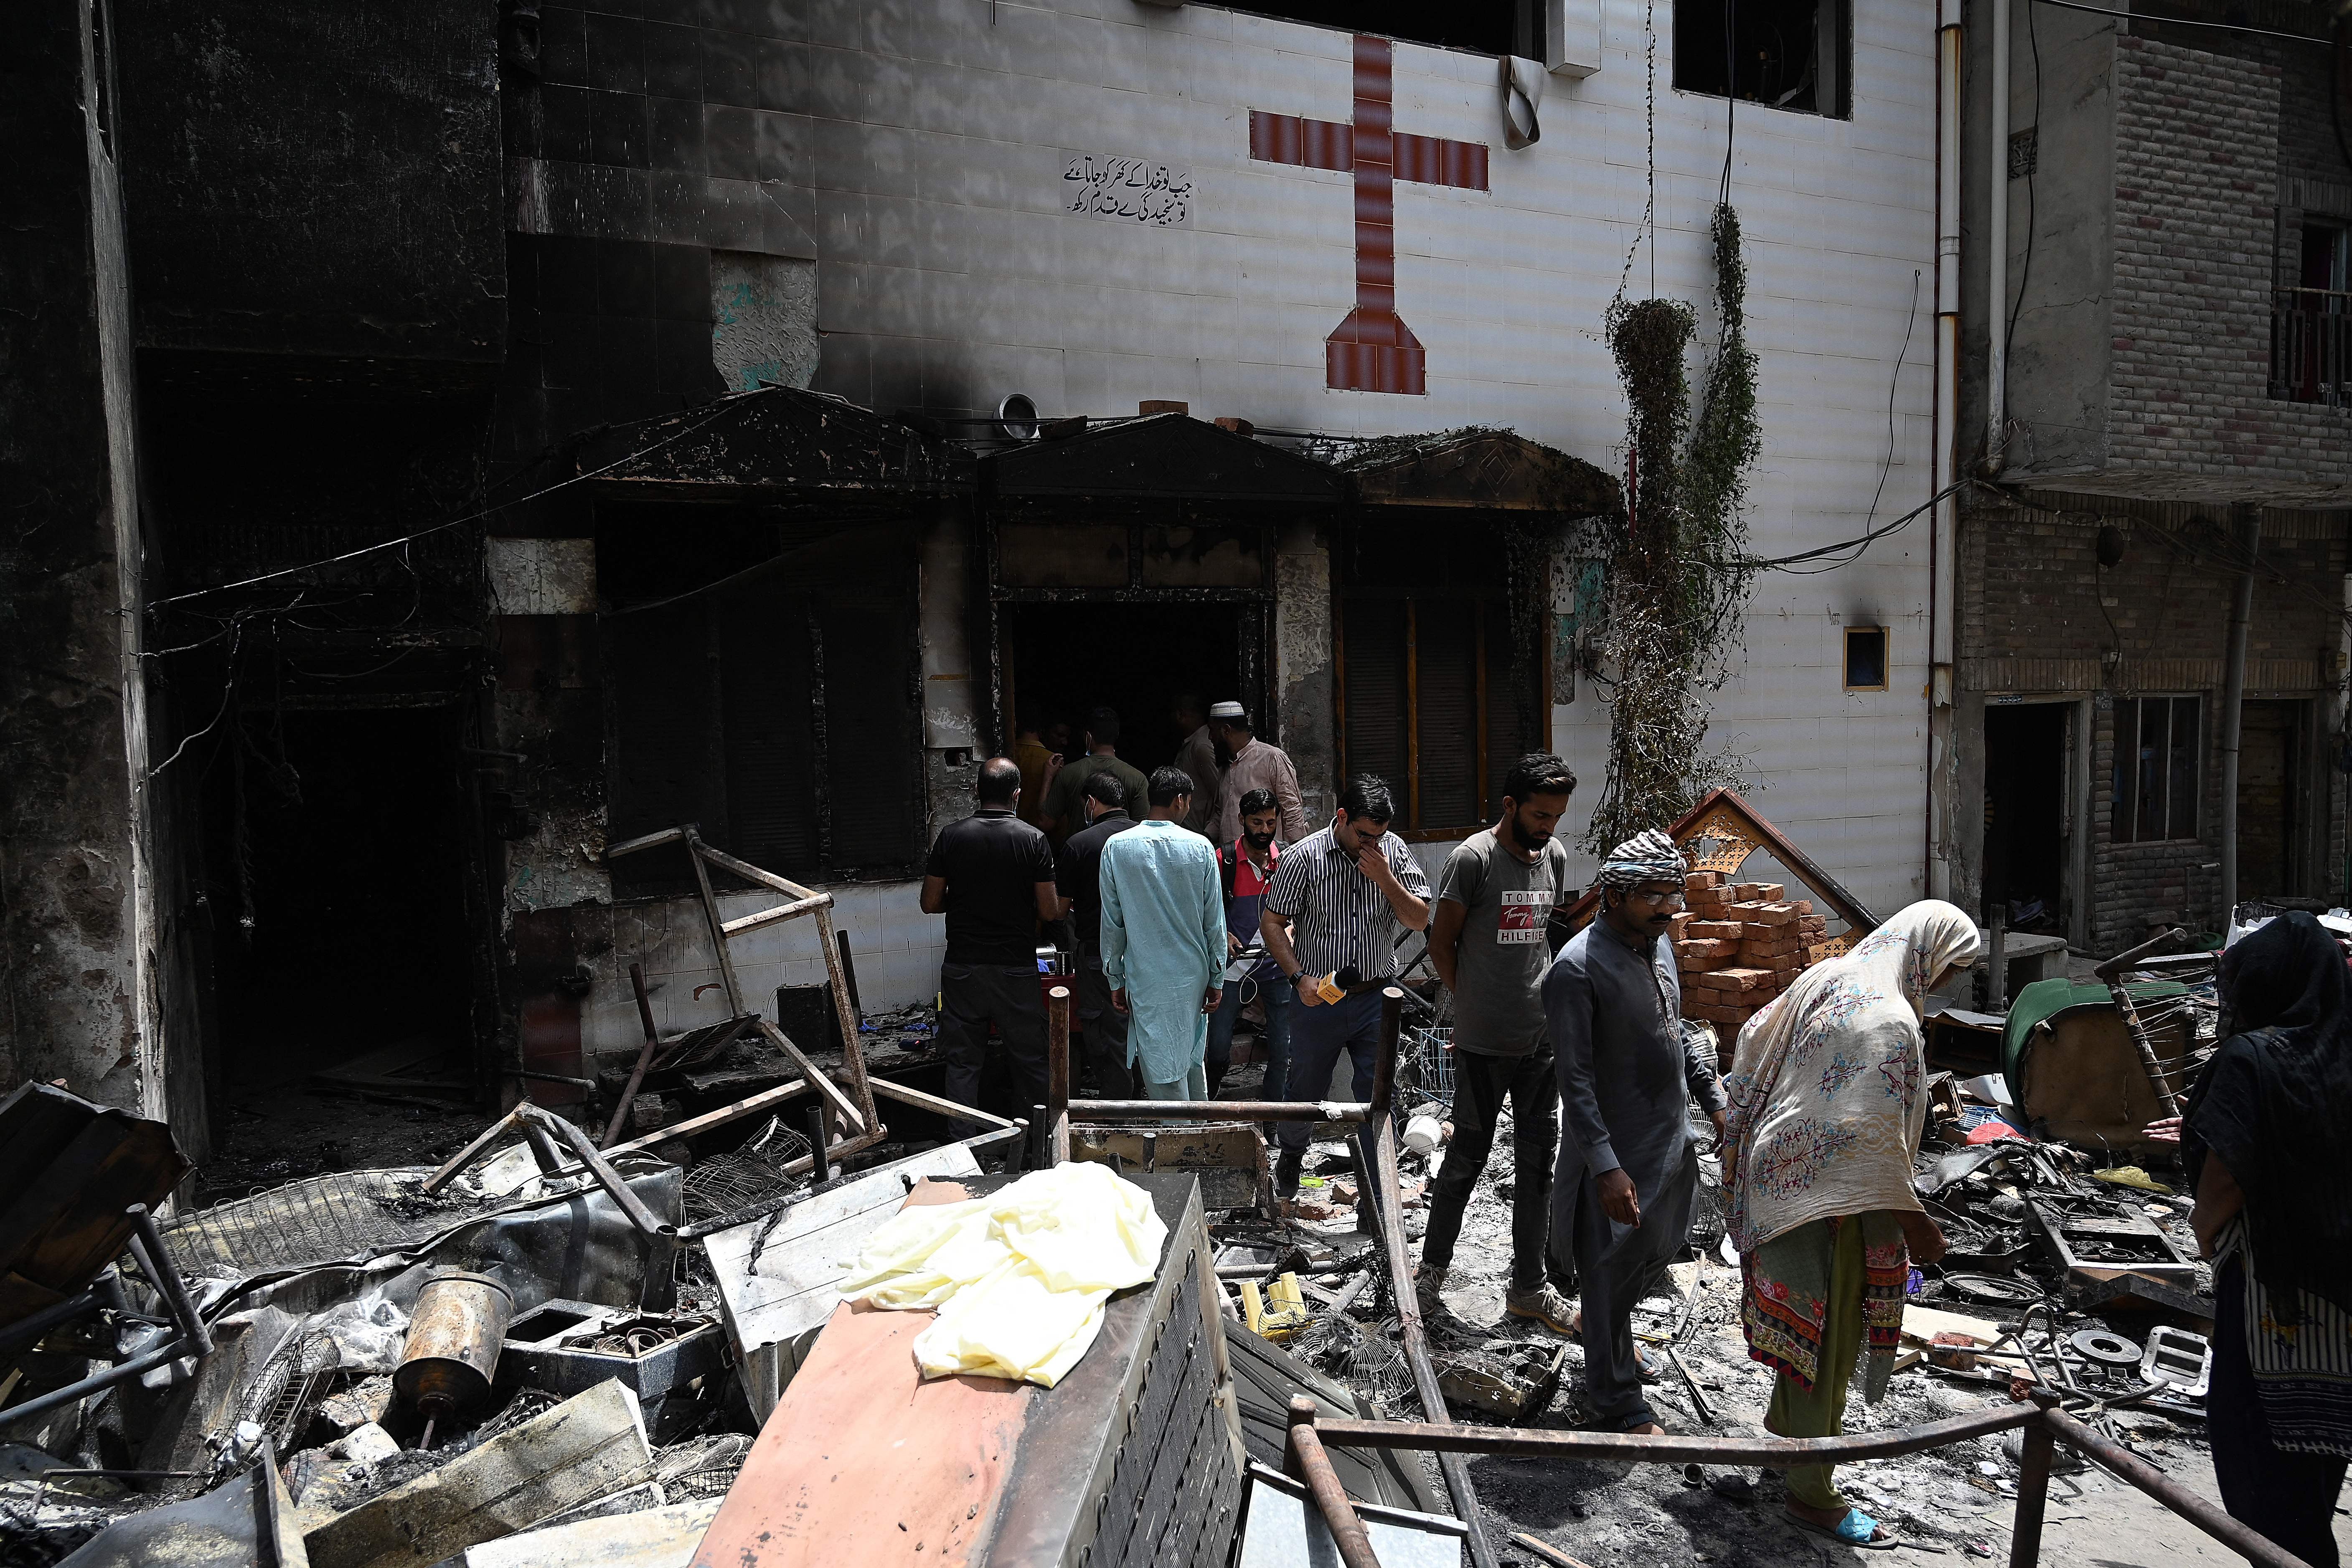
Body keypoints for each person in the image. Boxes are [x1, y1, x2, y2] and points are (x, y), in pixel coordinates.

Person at [1720, 900, 1979, 1548]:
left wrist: (1780, 1114)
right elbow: (1866, 1137)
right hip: (1830, 1203)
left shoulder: (1831, 975)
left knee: (1804, 1330)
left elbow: (1754, 1032)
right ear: (1927, 951)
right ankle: (1813, 1496)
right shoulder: (1889, 1020)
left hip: (1781, 1177)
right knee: (1828, 1341)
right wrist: (1914, 1223)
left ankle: (1793, 1453)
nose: (1948, 982)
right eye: (1952, 966)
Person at [2179, 912, 2352, 1568]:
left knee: (2254, 1479)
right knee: (2312, 1475)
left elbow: (2228, 1175)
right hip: (2337, 1313)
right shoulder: (2339, 1047)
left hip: (2268, 1303)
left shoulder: (2253, 1058)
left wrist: (2201, 1232)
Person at [1544, 829, 1726, 1436]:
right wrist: (1605, 1166)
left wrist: (1713, 1099)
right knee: (1607, 1268)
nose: (1669, 909)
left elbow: (1680, 1031)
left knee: (1656, 1250)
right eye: (1655, 896)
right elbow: (1573, 1080)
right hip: (1616, 1151)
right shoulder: (1576, 969)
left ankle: (1610, 1340)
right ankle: (1616, 1401)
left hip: (1669, 1142)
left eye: (1673, 896)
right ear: (1616, 894)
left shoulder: (1658, 945)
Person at [1420, 754, 1580, 1333]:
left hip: (1541, 1042)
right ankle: (1431, 1273)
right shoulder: (1473, 860)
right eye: (1539, 815)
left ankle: (1529, 1288)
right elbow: (1442, 942)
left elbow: (1548, 935)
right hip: (1483, 1044)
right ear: (1509, 805)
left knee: (1539, 1166)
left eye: (1556, 816)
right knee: (1466, 1158)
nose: (1548, 827)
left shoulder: (1554, 858)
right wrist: (1472, 1003)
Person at [1260, 775, 1433, 1226]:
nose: (1372, 843)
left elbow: (1418, 918)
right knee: (1305, 1091)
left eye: (1379, 835)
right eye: (1364, 835)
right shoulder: (1304, 857)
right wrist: (1298, 979)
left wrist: (1385, 878)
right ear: (1341, 818)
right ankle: (1292, 1159)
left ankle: (1375, 1205)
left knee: (1377, 1097)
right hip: (1319, 999)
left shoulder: (1391, 852)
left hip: (1377, 997)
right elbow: (1272, 923)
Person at [919, 757, 1060, 1129]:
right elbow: (1049, 910)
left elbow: (930, 902)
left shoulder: (951, 836)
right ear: (1017, 794)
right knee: (1029, 1061)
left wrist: (966, 900)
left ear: (977, 791)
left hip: (964, 968)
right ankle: (1037, 1145)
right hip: (1015, 969)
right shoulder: (1034, 840)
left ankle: (963, 1149)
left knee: (963, 1063)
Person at [1099, 767, 1228, 1101]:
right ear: (1181, 800)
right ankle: (1195, 1139)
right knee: (1189, 1057)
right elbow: (1215, 923)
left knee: (1162, 1062)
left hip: (1146, 976)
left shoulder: (1116, 847)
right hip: (1193, 973)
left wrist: (1115, 977)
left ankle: (1183, 1141)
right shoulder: (1201, 847)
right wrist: (1217, 975)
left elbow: (1112, 923)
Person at [1055, 769, 1140, 1099]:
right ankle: (1153, 1105)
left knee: (1108, 1035)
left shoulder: (1079, 844)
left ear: (1091, 803)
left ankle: (1118, 1111)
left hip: (1099, 955)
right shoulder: (1145, 837)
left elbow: (1059, 910)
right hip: (1148, 951)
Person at [1205, 789, 1293, 1099]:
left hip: (1277, 968)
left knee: (1284, 1051)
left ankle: (1274, 1117)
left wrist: (1292, 926)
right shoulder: (1221, 860)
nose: (1265, 830)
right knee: (1216, 1048)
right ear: (1242, 820)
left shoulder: (1287, 861)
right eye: (1257, 822)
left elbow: (1301, 907)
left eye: (1271, 822)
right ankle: (1211, 1099)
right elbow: (1204, 909)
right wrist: (1222, 934)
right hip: (1231, 971)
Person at [1040, 706, 1150, 846]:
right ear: (1116, 736)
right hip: (1121, 860)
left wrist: (1048, 777)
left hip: (1081, 855)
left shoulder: (1069, 773)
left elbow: (1045, 823)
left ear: (1088, 737)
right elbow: (1143, 831)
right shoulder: (1137, 779)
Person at [1209, 703, 1311, 845]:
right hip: (1231, 859)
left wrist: (1297, 850)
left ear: (1226, 730)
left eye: (1212, 731)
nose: (1210, 737)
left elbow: (1291, 806)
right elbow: (1222, 813)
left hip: (1268, 857)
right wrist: (1203, 837)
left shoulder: (1272, 758)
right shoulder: (1225, 766)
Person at [1171, 692, 1222, 836]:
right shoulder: (1192, 743)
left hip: (1200, 833)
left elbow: (1222, 794)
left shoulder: (1202, 745)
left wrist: (1209, 833)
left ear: (1181, 714)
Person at [1011, 710, 1064, 828]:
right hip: (1040, 832)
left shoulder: (1006, 756)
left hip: (1010, 830)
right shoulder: (1053, 762)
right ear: (1042, 731)